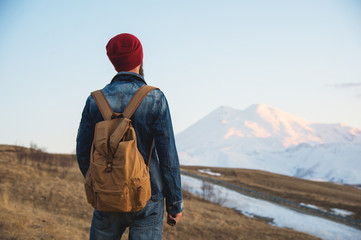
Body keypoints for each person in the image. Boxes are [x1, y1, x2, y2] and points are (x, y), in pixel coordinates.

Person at [76, 33, 183, 240]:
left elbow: (82, 152)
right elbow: (168, 158)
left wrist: (103, 182)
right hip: (147, 195)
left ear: (114, 64)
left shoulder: (94, 100)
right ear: (140, 59)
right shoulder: (155, 98)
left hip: (107, 195)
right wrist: (174, 203)